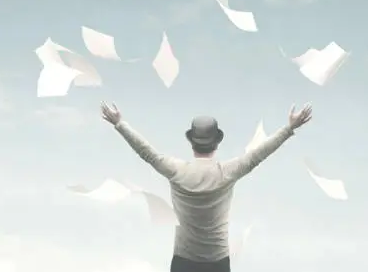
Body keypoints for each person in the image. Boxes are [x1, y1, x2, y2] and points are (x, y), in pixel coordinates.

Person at [100, 101, 313, 272]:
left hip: (183, 260)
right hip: (217, 262)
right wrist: (289, 128)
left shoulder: (177, 171)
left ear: (191, 142)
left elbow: (146, 152)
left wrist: (120, 124)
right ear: (217, 143)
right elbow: (258, 155)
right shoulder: (226, 172)